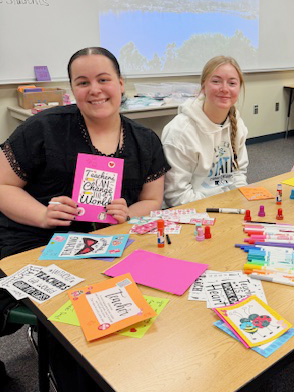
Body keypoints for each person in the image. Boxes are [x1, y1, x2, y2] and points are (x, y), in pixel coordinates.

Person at [0, 47, 170, 388]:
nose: (95, 89)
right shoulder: (44, 128)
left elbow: (153, 200)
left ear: (121, 84)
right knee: (78, 319)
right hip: (34, 239)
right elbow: (3, 185)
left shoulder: (145, 140)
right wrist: (43, 214)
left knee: (144, 302)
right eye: (83, 82)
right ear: (72, 89)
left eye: (104, 79)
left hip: (104, 242)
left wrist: (129, 212)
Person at [161, 56, 249, 207]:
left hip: (228, 206)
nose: (224, 89)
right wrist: (218, 208)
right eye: (216, 81)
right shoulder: (180, 132)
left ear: (239, 88)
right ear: (203, 87)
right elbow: (176, 196)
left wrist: (239, 201)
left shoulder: (237, 124)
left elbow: (238, 174)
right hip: (194, 210)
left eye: (232, 83)